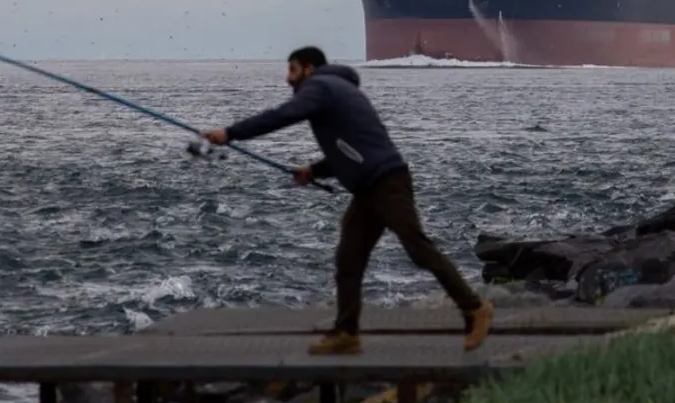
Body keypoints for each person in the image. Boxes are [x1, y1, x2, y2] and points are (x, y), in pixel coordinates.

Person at [203, 46, 494, 355]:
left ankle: (475, 308)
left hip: (386, 184)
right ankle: (346, 333)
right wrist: (314, 170)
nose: (288, 79)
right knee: (349, 259)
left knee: (418, 249)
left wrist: (231, 133)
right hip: (369, 187)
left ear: (309, 68)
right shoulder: (337, 90)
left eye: (292, 70)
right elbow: (351, 147)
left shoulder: (320, 86)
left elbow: (285, 114)